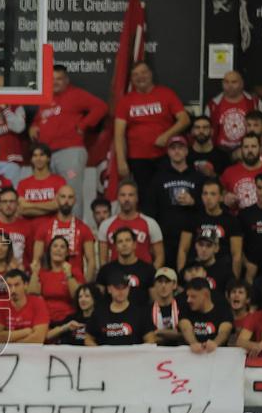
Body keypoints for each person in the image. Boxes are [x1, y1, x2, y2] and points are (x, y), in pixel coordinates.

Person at [30, 64, 108, 218]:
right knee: (50, 195)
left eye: (59, 79)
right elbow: (40, 120)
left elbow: (101, 107)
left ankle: (75, 234)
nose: (55, 82)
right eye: (51, 79)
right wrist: (33, 126)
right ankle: (53, 234)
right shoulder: (45, 98)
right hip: (47, 155)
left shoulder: (76, 94)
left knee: (71, 194)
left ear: (66, 80)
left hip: (70, 152)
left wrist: (83, 125)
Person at [114, 62, 190, 206]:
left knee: (168, 194)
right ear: (131, 79)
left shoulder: (166, 94)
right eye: (135, 74)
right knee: (145, 197)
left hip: (165, 156)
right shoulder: (125, 101)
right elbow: (119, 134)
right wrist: (121, 161)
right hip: (138, 159)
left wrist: (167, 136)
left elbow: (184, 120)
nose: (140, 77)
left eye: (143, 73)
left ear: (150, 74)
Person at [151, 136, 204, 268]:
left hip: (193, 235)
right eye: (173, 148)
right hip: (166, 236)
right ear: (168, 152)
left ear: (186, 151)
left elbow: (209, 205)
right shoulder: (158, 178)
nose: (177, 151)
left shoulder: (198, 177)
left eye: (180, 148)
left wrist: (193, 201)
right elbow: (151, 208)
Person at [177, 181, 244, 278]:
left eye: (213, 194)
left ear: (221, 197)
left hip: (222, 272)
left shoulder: (231, 221)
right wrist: (181, 277)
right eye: (205, 193)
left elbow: (236, 255)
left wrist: (234, 282)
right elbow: (183, 249)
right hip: (196, 271)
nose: (208, 198)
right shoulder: (193, 218)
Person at [30, 184, 97, 281]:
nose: (66, 201)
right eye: (63, 197)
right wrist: (37, 281)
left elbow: (91, 261)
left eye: (70, 197)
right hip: (49, 281)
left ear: (75, 200)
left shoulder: (84, 228)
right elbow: (36, 260)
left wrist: (85, 287)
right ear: (56, 198)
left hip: (76, 281)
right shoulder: (44, 227)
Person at [98, 181, 164, 267]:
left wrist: (151, 275)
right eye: (123, 195)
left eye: (131, 195)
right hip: (116, 276)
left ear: (137, 198)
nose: (126, 199)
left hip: (144, 276)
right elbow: (103, 259)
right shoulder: (106, 225)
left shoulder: (150, 223)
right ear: (117, 197)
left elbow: (160, 256)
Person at [205, 71, 262, 153]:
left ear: (241, 83)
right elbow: (206, 130)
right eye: (226, 82)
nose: (230, 85)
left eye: (234, 82)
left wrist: (260, 148)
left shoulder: (254, 102)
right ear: (222, 84)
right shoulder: (213, 105)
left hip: (248, 151)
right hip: (220, 151)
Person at [85, 270, 156, 345]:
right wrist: (99, 353)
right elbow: (88, 338)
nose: (121, 291)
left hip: (132, 356)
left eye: (124, 287)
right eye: (117, 287)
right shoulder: (99, 313)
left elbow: (150, 340)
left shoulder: (141, 313)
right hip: (106, 356)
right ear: (109, 289)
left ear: (129, 288)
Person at [30, 236, 82, 325]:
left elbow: (77, 297)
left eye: (62, 247)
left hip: (69, 318)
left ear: (66, 253)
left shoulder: (75, 271)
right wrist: (34, 273)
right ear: (49, 251)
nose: (58, 249)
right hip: (46, 318)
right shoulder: (42, 273)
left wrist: (69, 276)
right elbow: (32, 294)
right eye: (55, 246)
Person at [96, 227, 155, 305]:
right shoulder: (105, 270)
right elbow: (98, 300)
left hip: (142, 315)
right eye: (120, 241)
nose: (124, 244)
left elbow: (155, 301)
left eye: (128, 240)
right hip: (112, 316)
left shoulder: (148, 269)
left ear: (135, 244)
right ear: (115, 247)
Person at [0, 269, 49, 344]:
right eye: (9, 286)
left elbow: (38, 338)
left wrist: (12, 342)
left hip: (31, 353)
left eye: (17, 285)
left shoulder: (38, 302)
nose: (13, 290)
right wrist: (26, 331)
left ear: (26, 285)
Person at [0, 187, 31, 268]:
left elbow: (30, 256)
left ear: (17, 204)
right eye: (4, 201)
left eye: (12, 201)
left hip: (20, 273)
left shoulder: (26, 226)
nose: (8, 205)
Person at [180, 278, 233, 354]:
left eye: (193, 296)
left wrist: (215, 343)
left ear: (206, 294)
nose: (188, 300)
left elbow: (224, 332)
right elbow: (185, 328)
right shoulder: (186, 309)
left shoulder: (223, 311)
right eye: (188, 296)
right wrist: (193, 343)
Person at [17, 144, 63, 219]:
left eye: (42, 155)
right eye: (35, 156)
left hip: (52, 227)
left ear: (48, 158)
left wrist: (30, 205)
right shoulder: (23, 183)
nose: (38, 158)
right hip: (29, 227)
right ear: (31, 159)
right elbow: (22, 209)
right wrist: (49, 207)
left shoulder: (59, 181)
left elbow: (57, 205)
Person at [191, 229, 234, 294]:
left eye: (208, 245)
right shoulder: (189, 269)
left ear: (216, 248)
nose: (204, 249)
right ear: (195, 246)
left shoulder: (225, 272)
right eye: (201, 244)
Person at [151, 267, 183, 345]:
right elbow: (150, 337)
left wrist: (158, 332)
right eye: (160, 281)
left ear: (174, 285)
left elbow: (185, 334)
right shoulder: (147, 309)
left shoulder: (183, 307)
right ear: (155, 284)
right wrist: (173, 334)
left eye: (167, 281)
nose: (163, 285)